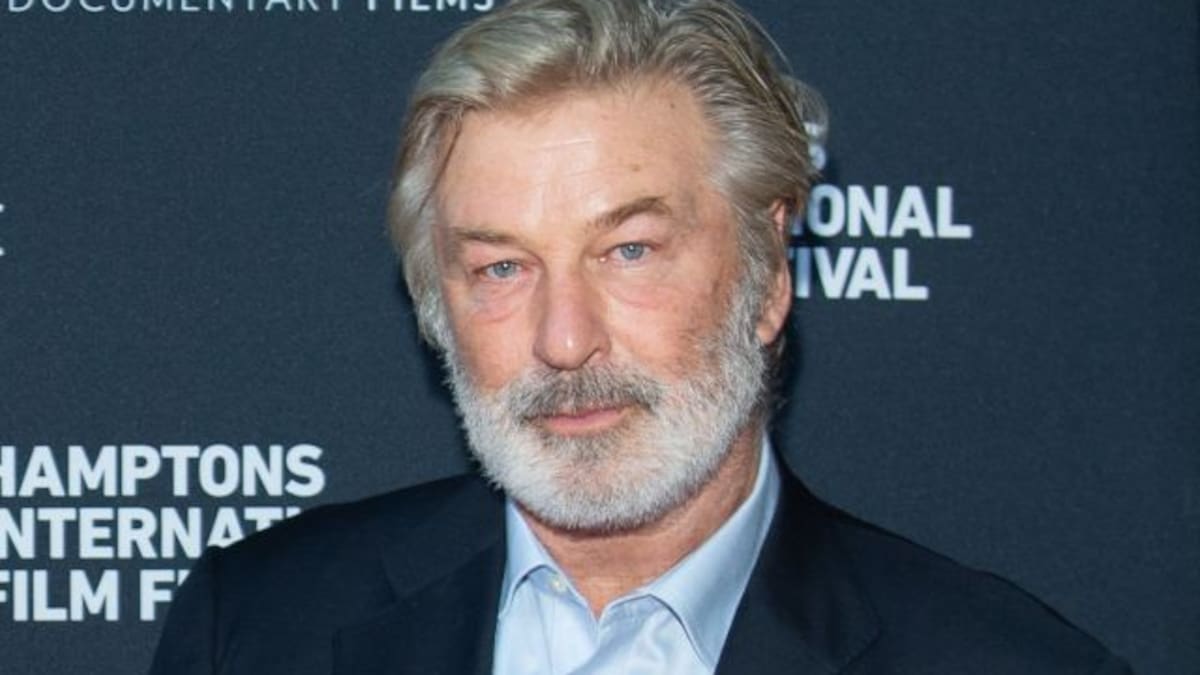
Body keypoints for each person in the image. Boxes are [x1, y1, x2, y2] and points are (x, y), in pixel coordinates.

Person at [149, 1, 1132, 673]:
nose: (564, 340)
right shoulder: (259, 626)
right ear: (436, 307)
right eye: (502, 267)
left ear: (767, 276)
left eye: (628, 252)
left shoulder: (1000, 660)